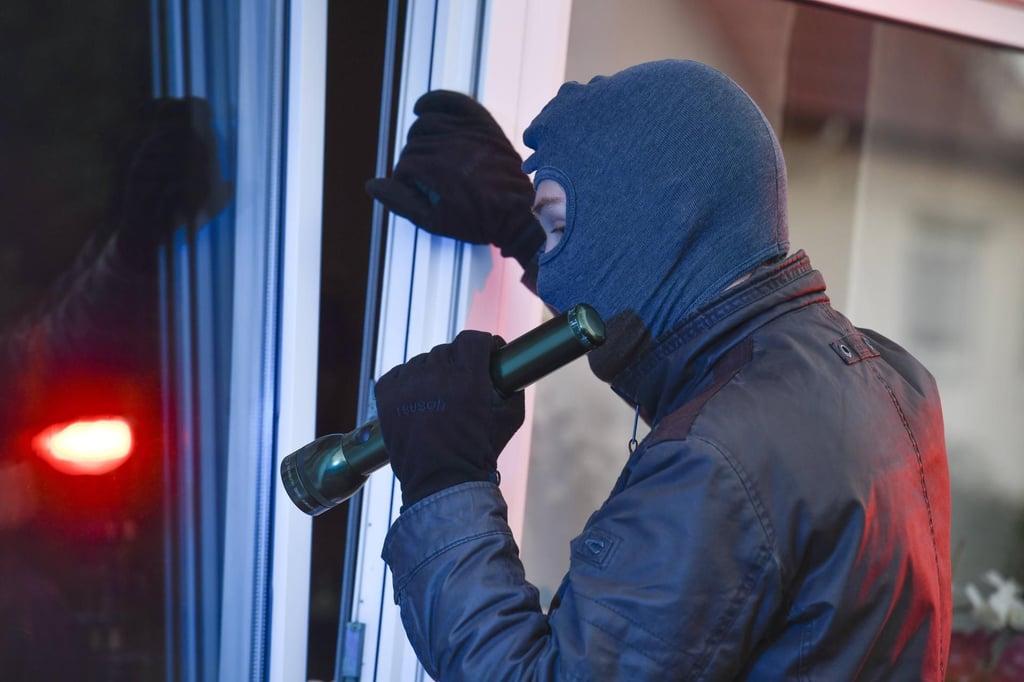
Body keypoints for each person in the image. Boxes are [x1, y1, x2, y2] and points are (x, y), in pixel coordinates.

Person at [367, 60, 952, 680]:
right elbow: (708, 387)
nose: (556, 261)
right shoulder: (883, 373)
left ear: (655, 221)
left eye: (560, 227)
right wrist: (524, 228)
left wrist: (447, 482)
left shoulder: (716, 463)